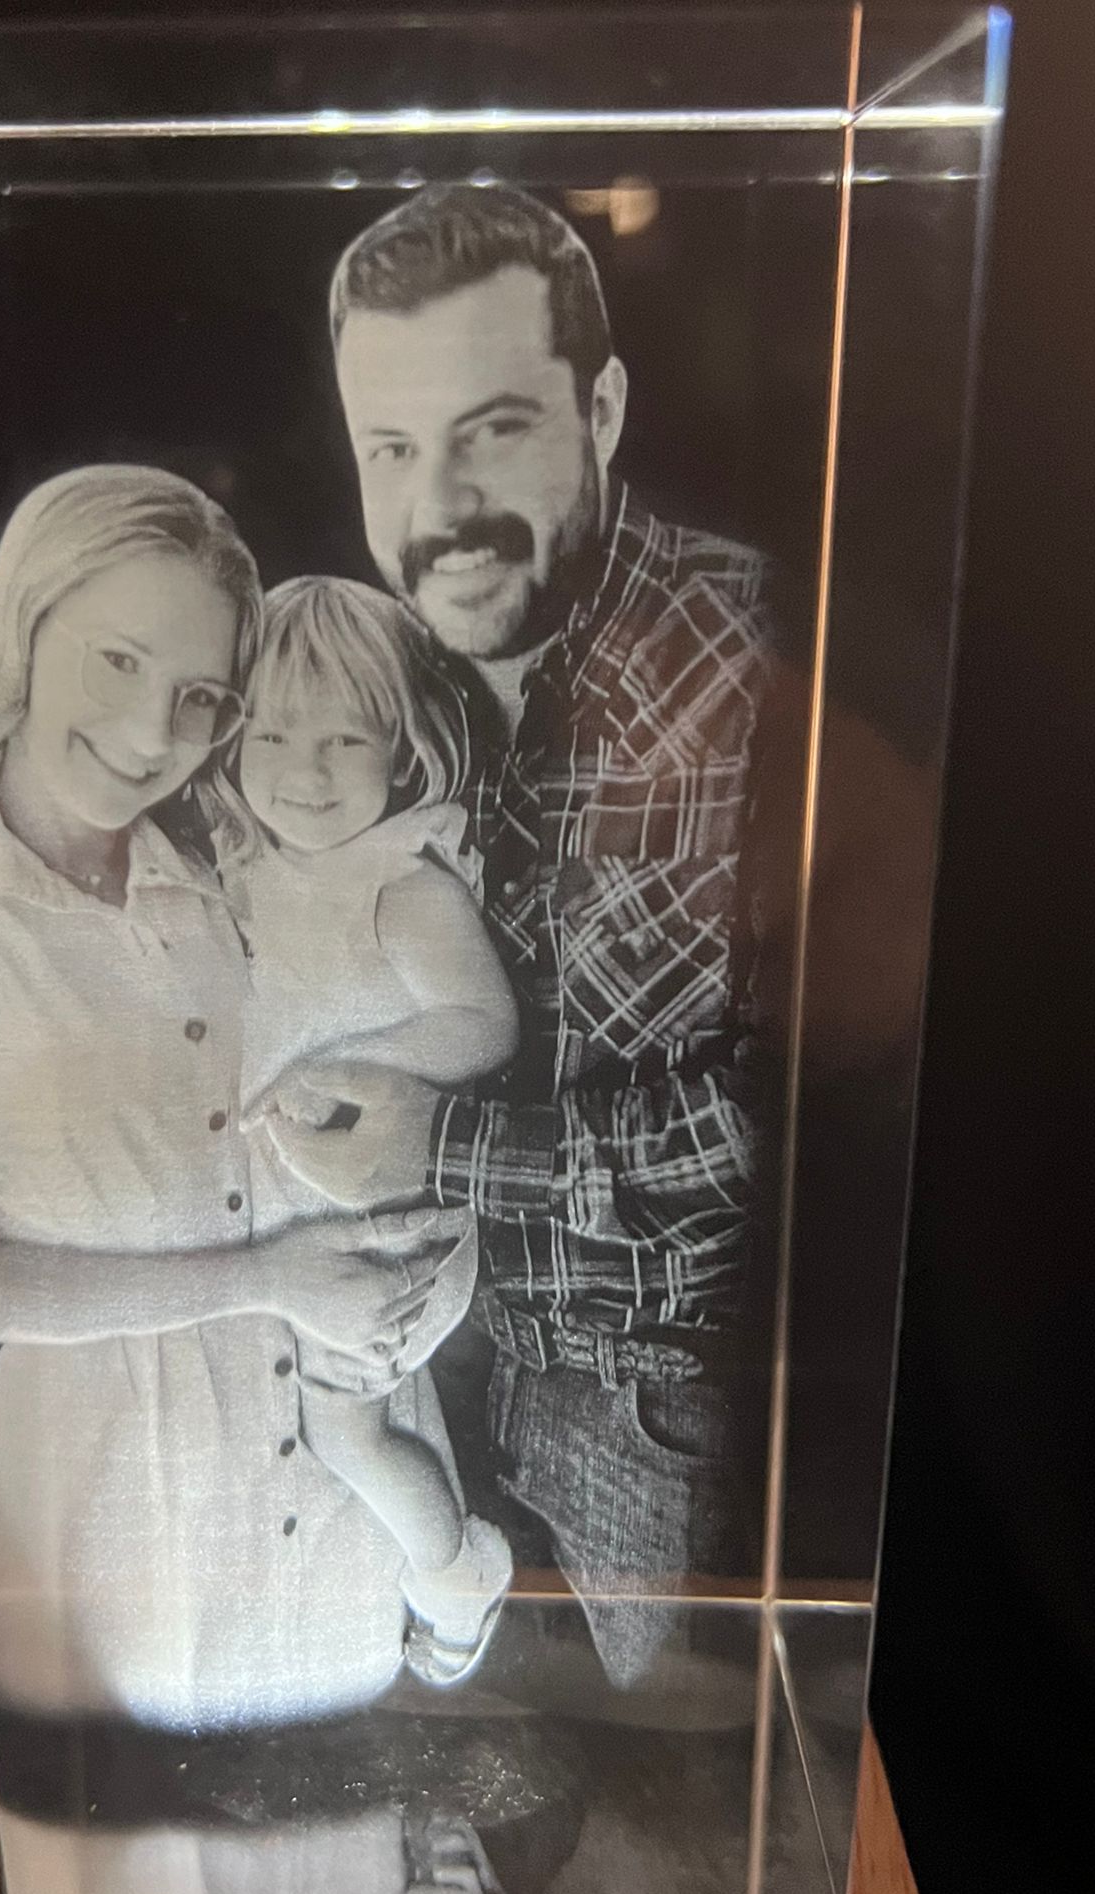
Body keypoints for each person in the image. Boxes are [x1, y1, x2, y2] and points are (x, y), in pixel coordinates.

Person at [269, 183, 778, 1690]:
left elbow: (804, 1134)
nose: (439, 507)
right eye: (394, 446)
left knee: (683, 1831)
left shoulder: (746, 676)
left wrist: (446, 1151)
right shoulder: (398, 672)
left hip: (658, 1417)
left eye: (493, 428)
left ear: (602, 408)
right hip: (440, 1361)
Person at [0, 464, 461, 1737]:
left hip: (332, 1452)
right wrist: (266, 1275)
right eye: (116, 660)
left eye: (198, 694)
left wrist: (415, 1257)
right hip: (118, 1498)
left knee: (338, 1893)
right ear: (26, 625)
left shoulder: (234, 861)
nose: (154, 732)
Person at [221, 575, 517, 1683]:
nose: (304, 770)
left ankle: (455, 1576)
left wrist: (357, 1063)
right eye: (276, 733)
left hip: (395, 1218)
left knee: (345, 1430)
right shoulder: (257, 869)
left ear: (402, 749)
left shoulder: (401, 885)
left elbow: (484, 1022)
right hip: (310, 1210)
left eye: (345, 738)